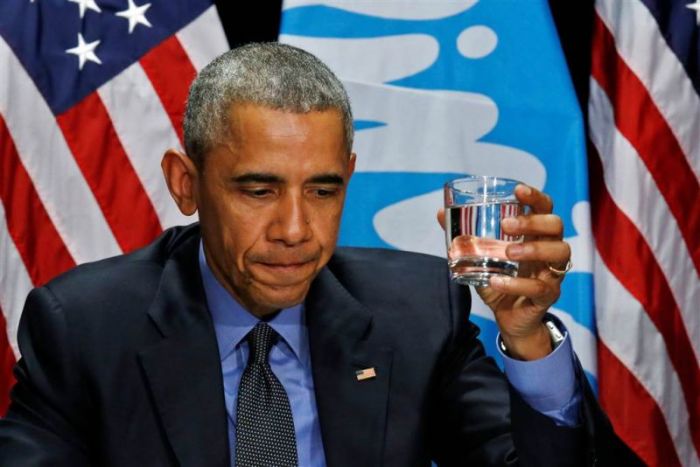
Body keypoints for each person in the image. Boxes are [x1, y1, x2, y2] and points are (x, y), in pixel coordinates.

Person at [0, 42, 638, 466]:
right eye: (259, 189)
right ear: (186, 183)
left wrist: (528, 341)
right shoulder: (84, 328)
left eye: (324, 190)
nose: (296, 230)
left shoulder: (416, 311)